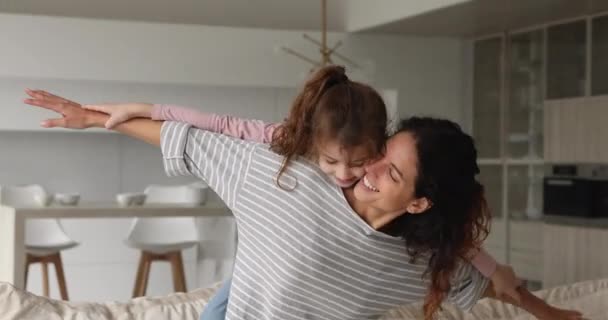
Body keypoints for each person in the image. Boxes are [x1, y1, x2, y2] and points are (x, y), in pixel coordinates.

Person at [24, 88, 582, 320]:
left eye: (388, 171)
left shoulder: (424, 261)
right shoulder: (283, 172)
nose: (363, 171)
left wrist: (554, 314)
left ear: (418, 203)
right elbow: (195, 136)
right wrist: (96, 119)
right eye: (378, 154)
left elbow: (493, 283)